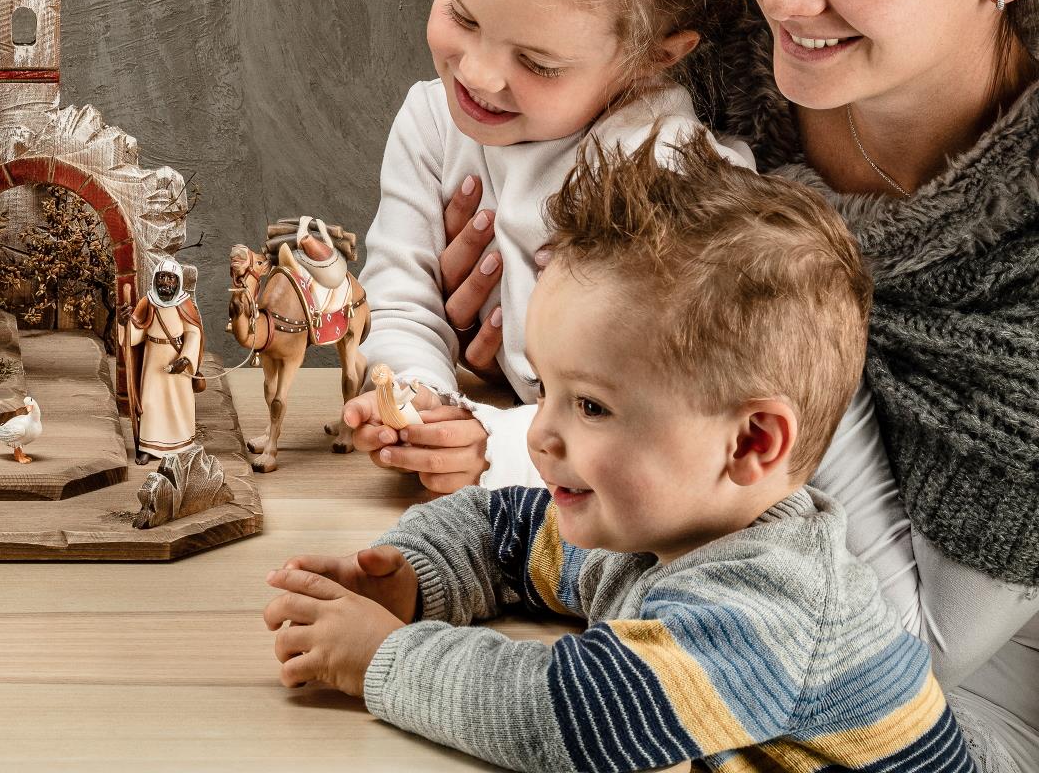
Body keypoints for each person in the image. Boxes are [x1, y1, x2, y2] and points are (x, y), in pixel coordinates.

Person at [413, 0, 1039, 767]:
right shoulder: (679, 71)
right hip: (632, 599)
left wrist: (744, 332)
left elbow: (906, 653)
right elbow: (539, 365)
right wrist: (524, 353)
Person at [267, 139, 972, 771]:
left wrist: (383, 657)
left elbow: (570, 718)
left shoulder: (770, 606)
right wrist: (415, 579)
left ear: (751, 442)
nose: (539, 435)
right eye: (546, 389)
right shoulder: (659, 524)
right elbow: (506, 532)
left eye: (591, 407)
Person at [344, 0, 754, 490]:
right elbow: (398, 299)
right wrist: (420, 399)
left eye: (538, 63)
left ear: (651, 60)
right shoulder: (432, 124)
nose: (478, 74)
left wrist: (498, 447)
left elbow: (681, 410)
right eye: (462, 15)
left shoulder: (671, 171)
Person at [121, 257, 202, 464]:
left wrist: (185, 358)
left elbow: (193, 333)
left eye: (170, 278)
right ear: (155, 279)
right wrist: (124, 324)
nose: (165, 282)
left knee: (179, 403)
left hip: (176, 362)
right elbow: (134, 337)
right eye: (162, 277)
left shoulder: (184, 304)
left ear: (178, 281)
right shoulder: (147, 302)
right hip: (153, 360)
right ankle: (148, 446)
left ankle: (182, 444)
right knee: (150, 403)